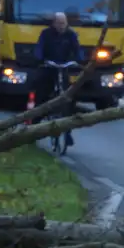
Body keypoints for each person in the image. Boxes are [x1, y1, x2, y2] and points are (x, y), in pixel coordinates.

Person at [33, 12, 85, 149]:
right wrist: (39, 59)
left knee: (69, 98)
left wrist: (79, 60)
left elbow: (78, 49)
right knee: (42, 96)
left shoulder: (71, 35)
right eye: (59, 23)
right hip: (49, 67)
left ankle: (68, 133)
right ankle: (32, 128)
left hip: (64, 67)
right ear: (54, 23)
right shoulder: (46, 34)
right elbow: (39, 47)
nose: (62, 26)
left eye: (64, 23)